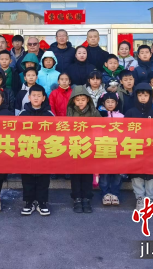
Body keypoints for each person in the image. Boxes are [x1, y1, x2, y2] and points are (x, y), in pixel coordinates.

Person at [19, 85, 54, 216]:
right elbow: (17, 132)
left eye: (39, 96)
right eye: (34, 95)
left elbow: (55, 132)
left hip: (44, 151)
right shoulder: (23, 113)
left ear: (43, 98)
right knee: (27, 178)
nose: (36, 98)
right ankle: (29, 202)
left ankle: (42, 202)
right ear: (29, 97)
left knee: (43, 178)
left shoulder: (49, 114)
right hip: (27, 150)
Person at [124, 84, 153, 210]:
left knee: (150, 175)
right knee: (136, 174)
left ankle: (149, 198)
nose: (143, 98)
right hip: (135, 148)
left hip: (151, 150)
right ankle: (139, 197)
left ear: (150, 96)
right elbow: (125, 131)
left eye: (146, 95)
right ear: (136, 97)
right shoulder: (130, 112)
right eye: (140, 95)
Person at [67, 85, 101, 213]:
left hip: (89, 147)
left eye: (83, 99)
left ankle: (86, 198)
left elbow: (101, 127)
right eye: (77, 100)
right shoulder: (70, 112)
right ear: (73, 101)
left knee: (87, 174)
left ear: (88, 100)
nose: (80, 102)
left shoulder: (94, 112)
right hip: (75, 146)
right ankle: (77, 198)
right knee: (75, 174)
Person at [96, 91, 124, 206]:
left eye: (113, 101)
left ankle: (115, 193)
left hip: (118, 148)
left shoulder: (121, 116)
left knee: (117, 172)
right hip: (104, 147)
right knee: (105, 172)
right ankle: (105, 193)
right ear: (103, 103)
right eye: (108, 102)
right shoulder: (99, 115)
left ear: (117, 103)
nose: (110, 104)